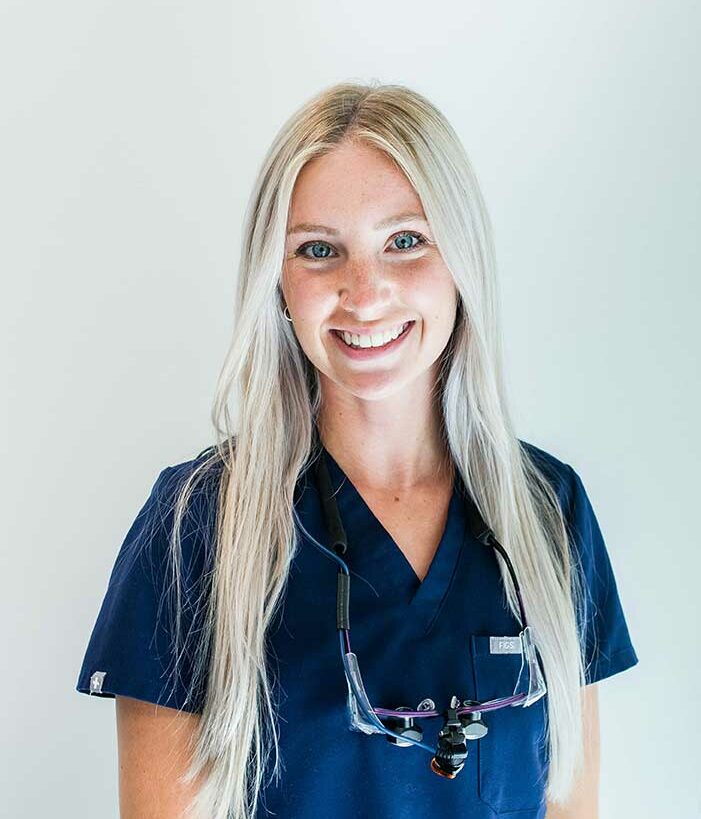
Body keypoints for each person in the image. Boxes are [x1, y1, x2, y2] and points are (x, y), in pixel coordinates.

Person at [76, 81, 639, 819]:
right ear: (277, 284)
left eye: (404, 240)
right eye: (318, 250)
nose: (364, 292)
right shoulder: (195, 526)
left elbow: (569, 806)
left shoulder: (546, 510)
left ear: (460, 260)